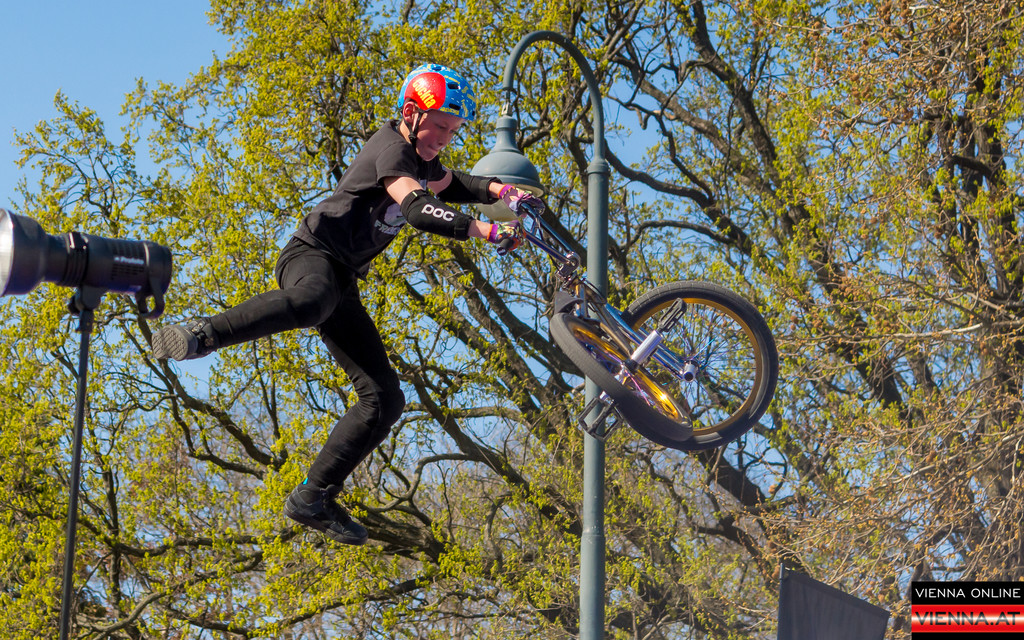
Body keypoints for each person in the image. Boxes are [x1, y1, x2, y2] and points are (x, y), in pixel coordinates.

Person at [151, 63, 544, 546]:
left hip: (342, 279)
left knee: (385, 399)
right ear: (411, 113)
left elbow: (454, 183)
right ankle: (202, 333)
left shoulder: (423, 159)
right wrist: (484, 228)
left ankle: (313, 497)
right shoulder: (393, 149)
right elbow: (419, 210)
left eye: (453, 130)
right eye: (440, 127)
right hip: (311, 255)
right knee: (312, 301)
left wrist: (501, 190)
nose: (445, 139)